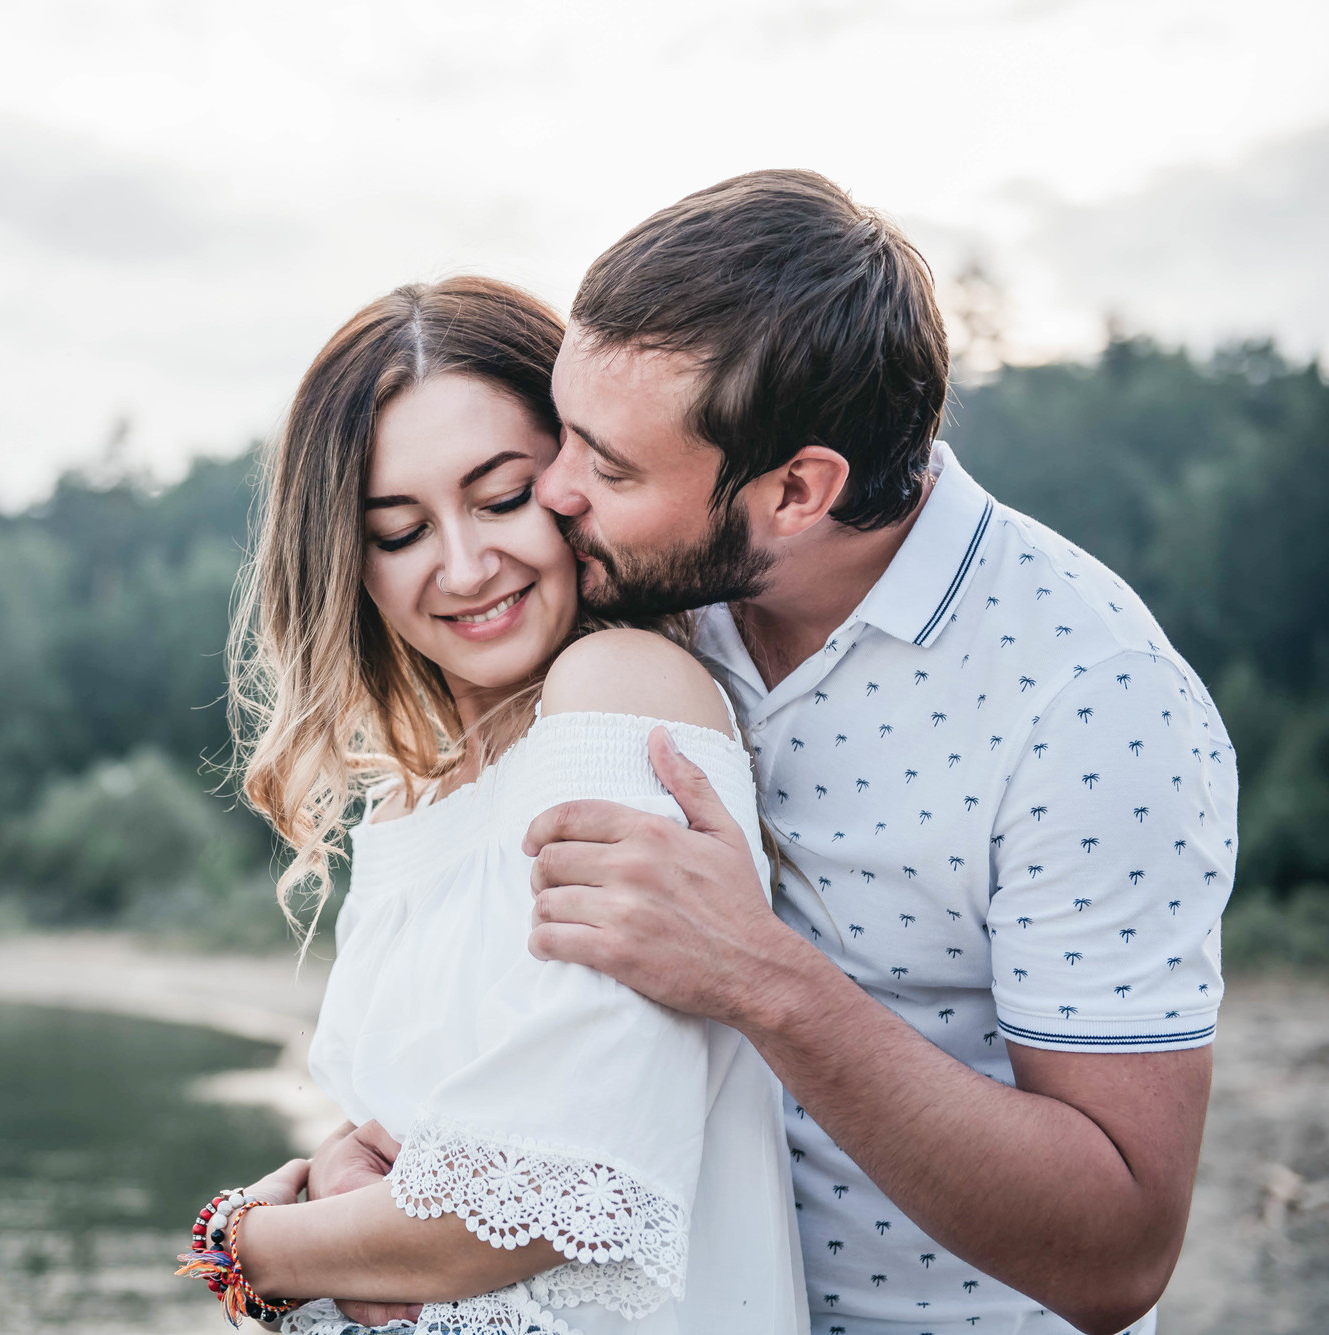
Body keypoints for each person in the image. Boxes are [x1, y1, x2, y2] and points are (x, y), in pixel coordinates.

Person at [519, 170, 1236, 1334]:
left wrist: (756, 975)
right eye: (564, 436)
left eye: (609, 469)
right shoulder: (643, 594)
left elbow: (1117, 1251)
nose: (553, 492)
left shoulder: (1092, 704)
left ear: (797, 491)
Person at [182, 277, 807, 1334]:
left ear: (576, 478)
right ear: (349, 562)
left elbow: (545, 1200)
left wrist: (243, 1241)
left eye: (499, 496)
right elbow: (410, 1162)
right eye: (397, 528)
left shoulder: (619, 692)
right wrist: (345, 1178)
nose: (464, 567)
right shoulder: (403, 804)